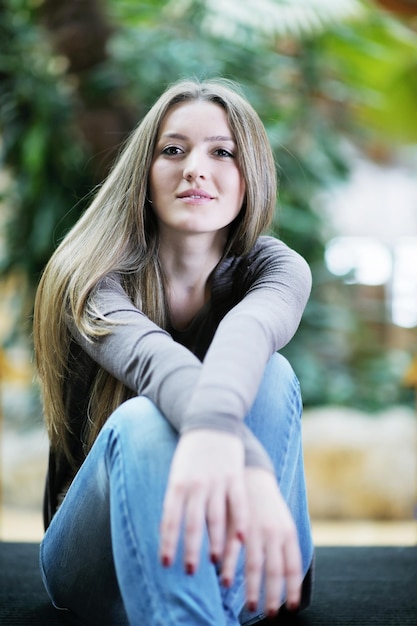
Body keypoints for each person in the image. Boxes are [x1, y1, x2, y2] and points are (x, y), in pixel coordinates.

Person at [33, 78, 314, 626]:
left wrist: (240, 460)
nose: (195, 168)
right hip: (100, 558)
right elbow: (154, 362)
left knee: (272, 372)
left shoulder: (278, 269)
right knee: (143, 416)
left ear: (249, 173)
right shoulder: (90, 278)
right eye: (173, 150)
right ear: (145, 174)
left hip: (256, 552)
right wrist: (248, 459)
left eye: (222, 151)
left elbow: (249, 333)